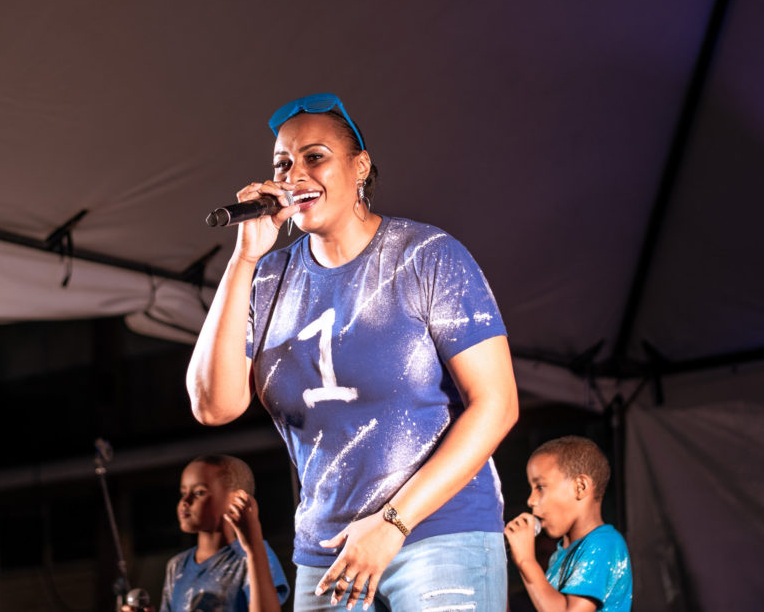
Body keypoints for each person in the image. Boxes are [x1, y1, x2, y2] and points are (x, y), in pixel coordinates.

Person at [186, 92, 519, 611]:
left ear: (360, 166)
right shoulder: (267, 279)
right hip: (326, 553)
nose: (295, 174)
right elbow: (214, 406)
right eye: (282, 163)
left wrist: (392, 523)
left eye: (315, 157)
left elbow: (497, 404)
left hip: (438, 533)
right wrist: (245, 258)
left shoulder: (426, 256)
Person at [504, 436, 632, 612]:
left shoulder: (604, 543)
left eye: (540, 487)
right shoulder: (559, 555)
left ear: (580, 487)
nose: (530, 500)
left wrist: (526, 561)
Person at [151, 454, 290, 612]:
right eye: (183, 493)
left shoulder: (253, 555)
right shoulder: (177, 566)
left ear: (237, 498)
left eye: (199, 493)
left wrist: (254, 547)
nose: (185, 502)